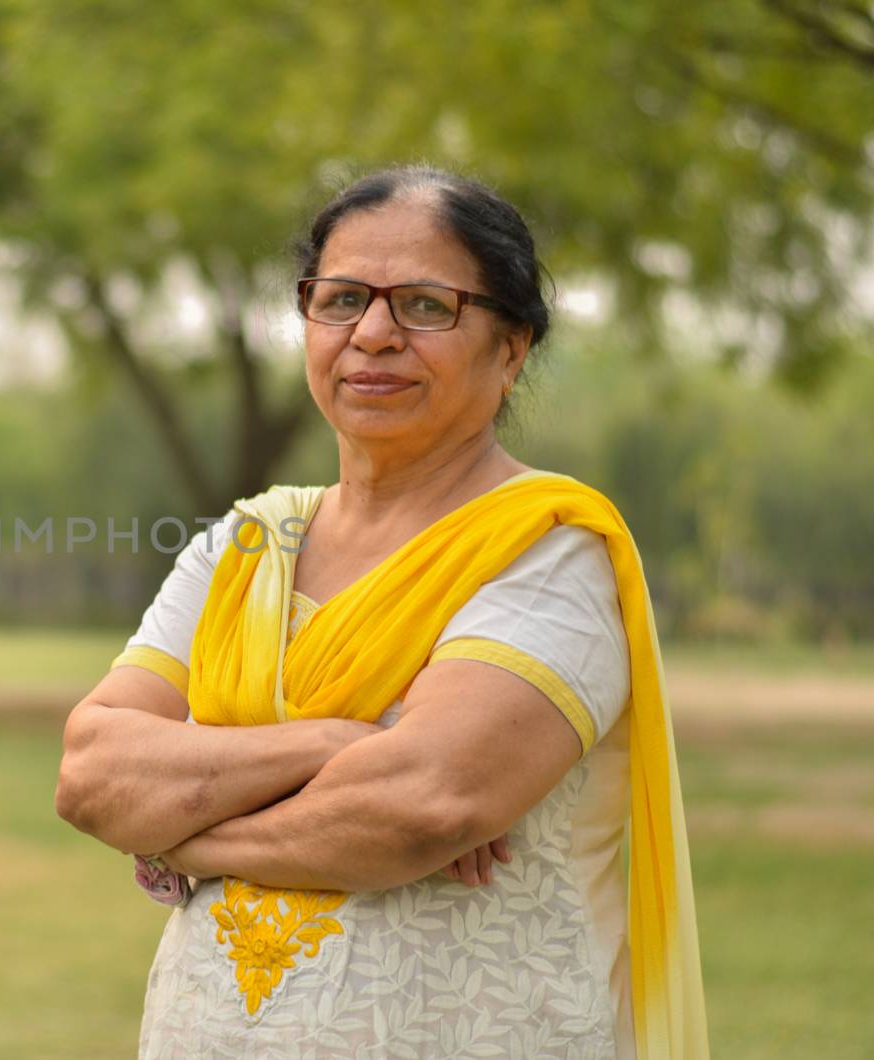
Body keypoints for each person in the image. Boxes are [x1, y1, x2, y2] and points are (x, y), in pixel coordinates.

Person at [55, 165, 708, 1059]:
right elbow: (92, 772)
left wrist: (181, 843)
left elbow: (422, 808)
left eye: (426, 306)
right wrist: (334, 745)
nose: (372, 334)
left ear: (511, 348)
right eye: (342, 298)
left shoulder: (548, 551)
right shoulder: (244, 549)